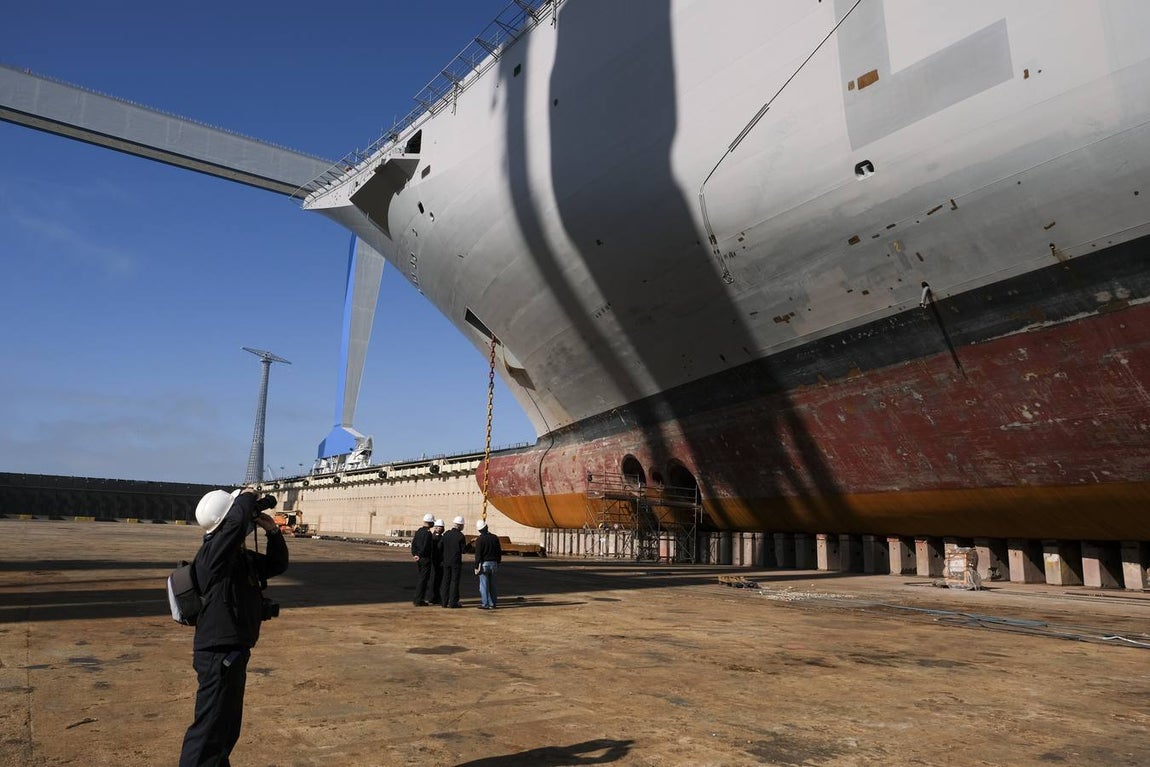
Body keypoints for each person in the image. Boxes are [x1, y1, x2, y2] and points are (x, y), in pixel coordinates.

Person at [179, 486, 289, 767]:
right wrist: (247, 497)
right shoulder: (212, 554)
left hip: (233, 653)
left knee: (224, 730)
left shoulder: (237, 558)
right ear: (226, 520)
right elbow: (235, 524)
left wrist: (272, 533)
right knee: (208, 733)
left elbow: (277, 565)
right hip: (219, 656)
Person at [473, 519, 502, 610]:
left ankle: (485, 604)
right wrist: (498, 561)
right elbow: (499, 551)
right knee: (493, 585)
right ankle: (493, 603)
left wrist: (476, 566)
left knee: (484, 586)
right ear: (487, 527)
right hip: (494, 563)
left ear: (479, 530)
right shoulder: (494, 537)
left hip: (484, 564)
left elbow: (478, 555)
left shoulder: (480, 540)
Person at [440, 516, 466, 608]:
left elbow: (440, 546)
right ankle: (453, 602)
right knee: (454, 582)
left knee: (445, 581)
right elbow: (463, 550)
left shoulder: (446, 534)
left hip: (446, 561)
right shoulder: (460, 536)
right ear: (460, 526)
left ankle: (444, 602)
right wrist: (470, 544)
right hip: (455, 562)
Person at [411, 513, 436, 606]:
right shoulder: (428, 533)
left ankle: (417, 599)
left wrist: (415, 554)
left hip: (419, 559)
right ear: (430, 523)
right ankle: (418, 600)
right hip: (425, 559)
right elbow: (425, 547)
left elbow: (413, 544)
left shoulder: (418, 531)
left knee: (421, 578)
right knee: (423, 580)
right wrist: (420, 555)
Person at [429, 519, 445, 605]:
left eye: (442, 527)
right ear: (435, 528)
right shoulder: (434, 538)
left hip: (438, 562)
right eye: (440, 527)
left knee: (438, 580)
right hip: (436, 562)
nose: (442, 528)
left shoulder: (440, 537)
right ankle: (433, 597)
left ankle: (436, 597)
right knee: (434, 580)